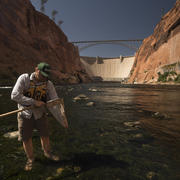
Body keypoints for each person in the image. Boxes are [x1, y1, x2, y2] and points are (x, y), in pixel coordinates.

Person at [11, 62, 68, 171]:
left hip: (41, 114)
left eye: (46, 76)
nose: (44, 78)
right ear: (36, 69)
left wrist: (62, 119)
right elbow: (14, 95)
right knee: (26, 139)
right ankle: (31, 159)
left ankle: (47, 153)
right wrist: (33, 102)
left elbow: (54, 102)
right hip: (24, 114)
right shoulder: (24, 78)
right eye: (42, 75)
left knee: (45, 135)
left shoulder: (48, 84)